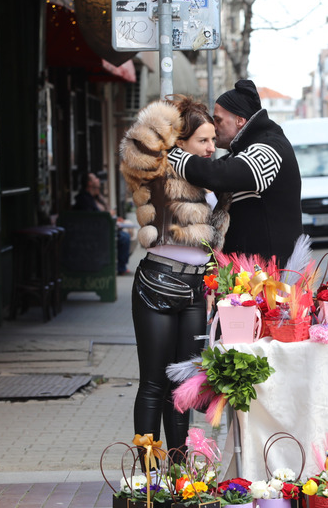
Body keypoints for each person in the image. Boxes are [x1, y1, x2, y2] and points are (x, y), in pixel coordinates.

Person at [119, 95, 231, 454]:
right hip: (157, 284)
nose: (212, 147)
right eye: (203, 140)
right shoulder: (156, 171)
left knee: (181, 385)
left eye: (214, 140)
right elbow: (137, 145)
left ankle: (180, 473)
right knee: (153, 383)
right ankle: (148, 479)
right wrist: (170, 113)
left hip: (196, 290)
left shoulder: (210, 178)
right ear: (180, 144)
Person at [167, 79, 302, 266]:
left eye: (219, 120)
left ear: (240, 120)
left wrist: (172, 155)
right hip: (251, 274)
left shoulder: (270, 147)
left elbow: (220, 175)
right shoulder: (243, 152)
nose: (215, 126)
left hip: (271, 278)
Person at [74, 172, 132, 275]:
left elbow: (105, 210)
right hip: (93, 235)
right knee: (124, 237)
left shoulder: (95, 197)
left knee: (126, 235)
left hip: (101, 230)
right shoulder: (84, 199)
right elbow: (93, 218)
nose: (98, 179)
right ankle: (120, 267)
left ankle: (121, 265)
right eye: (95, 178)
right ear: (89, 183)